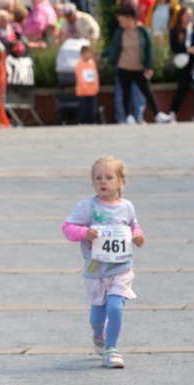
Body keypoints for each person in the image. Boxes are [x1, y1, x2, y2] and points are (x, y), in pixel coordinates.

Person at [62, 156, 145, 369]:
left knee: (115, 308)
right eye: (98, 178)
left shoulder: (127, 207)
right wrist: (84, 232)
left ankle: (111, 349)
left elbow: (133, 226)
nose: (103, 182)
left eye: (109, 177)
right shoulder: (87, 207)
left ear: (121, 182)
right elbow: (67, 228)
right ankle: (99, 333)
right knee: (97, 316)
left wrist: (138, 236)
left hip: (121, 269)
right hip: (96, 271)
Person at [106, 1, 171, 123]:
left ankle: (157, 114)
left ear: (130, 19)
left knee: (147, 91)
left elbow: (149, 50)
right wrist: (103, 55)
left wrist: (149, 66)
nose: (120, 24)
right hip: (124, 67)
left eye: (122, 21)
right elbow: (113, 47)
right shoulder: (120, 32)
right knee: (125, 93)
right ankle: (128, 116)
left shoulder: (143, 31)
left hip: (139, 68)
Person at [75, 44, 100, 124]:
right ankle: (82, 122)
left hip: (92, 91)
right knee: (83, 108)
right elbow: (80, 78)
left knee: (92, 109)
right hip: (83, 92)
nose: (90, 54)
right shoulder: (79, 64)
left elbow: (95, 76)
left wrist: (96, 87)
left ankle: (91, 122)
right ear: (83, 53)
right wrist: (85, 88)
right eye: (88, 52)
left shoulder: (92, 63)